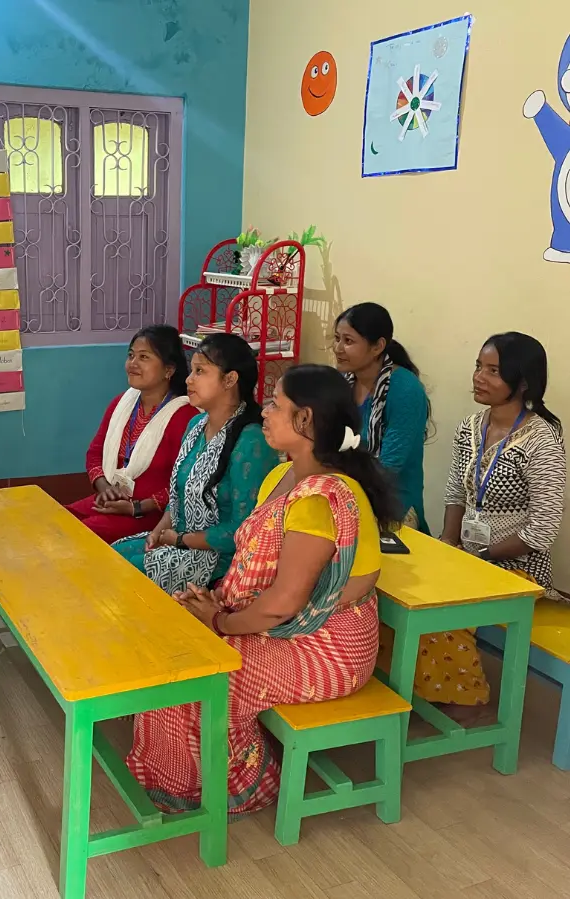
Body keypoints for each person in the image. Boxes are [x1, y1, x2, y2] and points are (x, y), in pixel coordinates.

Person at [125, 364, 401, 815]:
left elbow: (284, 604)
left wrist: (220, 621)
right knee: (174, 641)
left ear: (305, 420)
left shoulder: (319, 499)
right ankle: (179, 777)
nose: (265, 412)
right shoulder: (280, 477)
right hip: (276, 625)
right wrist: (217, 603)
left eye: (276, 404)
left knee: (196, 670)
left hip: (323, 647)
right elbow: (258, 568)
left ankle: (244, 785)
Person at [419, 332, 566, 717]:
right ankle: (414, 684)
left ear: (523, 382)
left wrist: (480, 557)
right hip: (469, 558)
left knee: (442, 607)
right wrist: (448, 543)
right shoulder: (470, 426)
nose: (478, 377)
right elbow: (456, 491)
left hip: (517, 569)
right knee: (408, 587)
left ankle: (463, 698)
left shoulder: (541, 439)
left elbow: (542, 529)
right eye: (478, 367)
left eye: (493, 371)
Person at [113, 332, 278, 594]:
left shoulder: (252, 441)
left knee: (126, 574)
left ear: (230, 379)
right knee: (110, 556)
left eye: (200, 371)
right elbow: (179, 497)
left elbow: (242, 529)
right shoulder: (196, 425)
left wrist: (181, 539)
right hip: (179, 541)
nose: (189, 379)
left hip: (219, 559)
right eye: (192, 371)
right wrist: (157, 533)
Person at [66, 325, 196, 544]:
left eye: (144, 357)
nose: (133, 363)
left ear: (168, 370)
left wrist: (137, 507)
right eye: (131, 355)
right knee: (55, 518)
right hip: (112, 501)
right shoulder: (121, 404)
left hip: (152, 515)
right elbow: (95, 453)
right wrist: (105, 489)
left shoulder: (185, 416)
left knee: (76, 535)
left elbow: (184, 484)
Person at [334, 302, 430, 532]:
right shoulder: (342, 382)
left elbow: (388, 466)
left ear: (377, 346)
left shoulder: (405, 389)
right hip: (345, 495)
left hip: (393, 508)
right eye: (337, 338)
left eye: (348, 341)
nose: (338, 348)